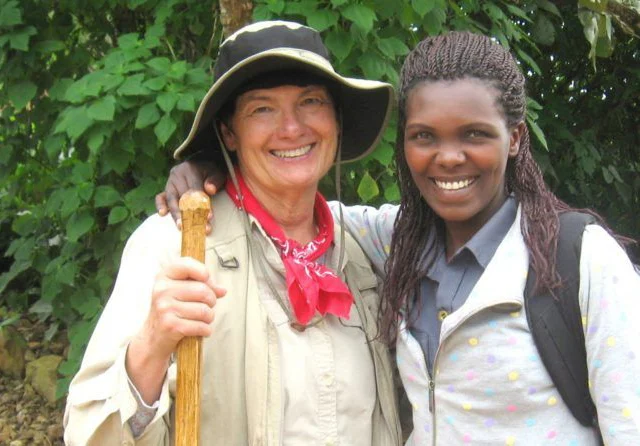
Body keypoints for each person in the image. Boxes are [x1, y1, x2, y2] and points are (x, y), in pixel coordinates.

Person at [158, 31, 640, 444]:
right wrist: (217, 165)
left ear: (514, 138)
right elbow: (293, 207)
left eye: (474, 134)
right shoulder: (398, 242)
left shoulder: (579, 259)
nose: (448, 157)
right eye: (425, 136)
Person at [63, 20, 403, 445]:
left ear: (336, 118)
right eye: (262, 109)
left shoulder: (364, 246)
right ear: (229, 132)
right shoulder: (176, 245)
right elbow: (87, 434)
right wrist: (150, 346)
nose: (292, 128)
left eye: (311, 102)